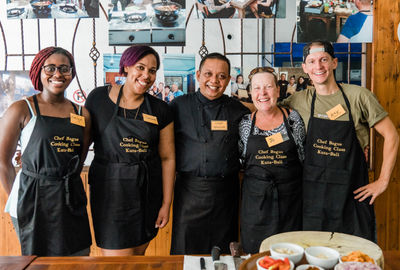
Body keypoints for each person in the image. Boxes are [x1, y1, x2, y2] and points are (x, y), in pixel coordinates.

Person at [281, 40, 399, 241]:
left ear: (334, 63)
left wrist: (383, 181)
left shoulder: (358, 96)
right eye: (312, 61)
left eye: (324, 60)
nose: (318, 66)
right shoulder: (299, 100)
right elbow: (266, 113)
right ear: (305, 68)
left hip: (351, 197)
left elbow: (392, 135)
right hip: (313, 199)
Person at [0, 47, 92, 256]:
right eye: (50, 68)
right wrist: (19, 198)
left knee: (78, 257)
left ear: (71, 73)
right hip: (31, 200)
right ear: (38, 72)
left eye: (64, 69)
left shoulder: (82, 113)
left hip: (69, 199)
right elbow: (2, 162)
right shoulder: (21, 109)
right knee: (37, 262)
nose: (58, 74)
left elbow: (79, 159)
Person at [85, 45, 175, 255]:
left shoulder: (160, 109)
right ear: (126, 66)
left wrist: (166, 203)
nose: (146, 75)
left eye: (152, 71)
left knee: (137, 258)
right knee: (117, 262)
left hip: (146, 192)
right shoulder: (98, 98)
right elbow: (83, 143)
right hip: (110, 193)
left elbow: (168, 158)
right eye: (140, 67)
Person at [170, 53, 250, 255]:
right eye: (208, 74)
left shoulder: (237, 109)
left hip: (225, 193)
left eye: (221, 76)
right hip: (189, 192)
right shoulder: (177, 106)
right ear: (198, 75)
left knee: (222, 254)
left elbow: (261, 114)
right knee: (185, 252)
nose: (214, 81)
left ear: (229, 80)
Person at [239, 67, 305, 254]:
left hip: (290, 203)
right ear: (251, 92)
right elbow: (241, 160)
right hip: (256, 204)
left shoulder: (293, 118)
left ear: (278, 90)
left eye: (268, 87)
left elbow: (303, 156)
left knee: (290, 255)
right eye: (257, 88)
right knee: (256, 256)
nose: (263, 93)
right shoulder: (245, 123)